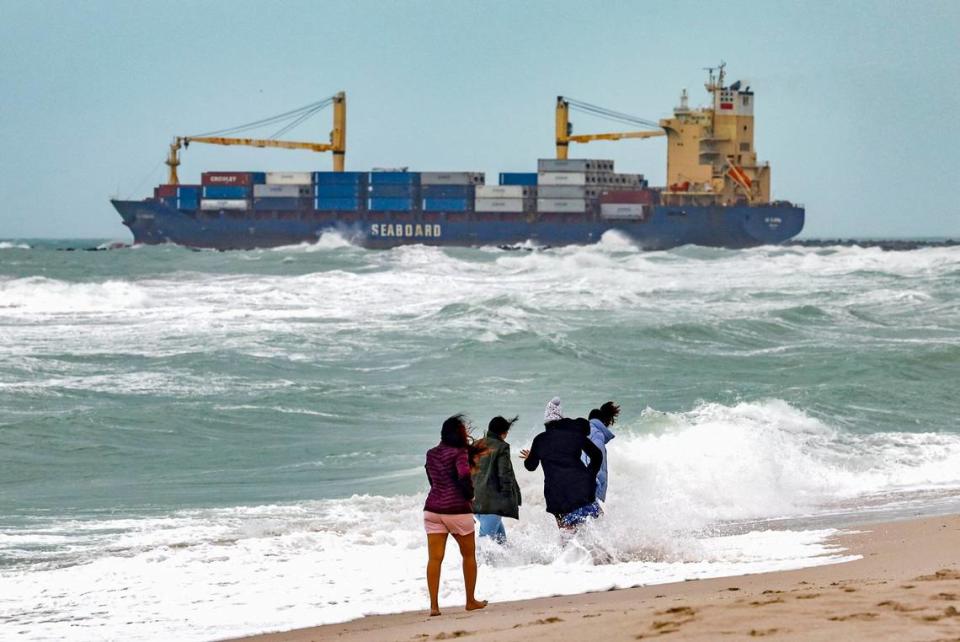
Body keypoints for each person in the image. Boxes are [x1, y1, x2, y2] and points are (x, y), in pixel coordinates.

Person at [423, 415, 489, 616]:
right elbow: (463, 476)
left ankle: (434, 606)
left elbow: (431, 479)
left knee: (435, 559)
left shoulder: (431, 453)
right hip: (457, 511)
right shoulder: (459, 453)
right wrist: (470, 495)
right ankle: (470, 601)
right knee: (468, 555)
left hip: (432, 510)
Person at [521, 397, 603, 531]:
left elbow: (530, 466)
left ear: (546, 422)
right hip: (581, 487)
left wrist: (531, 456)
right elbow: (597, 455)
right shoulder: (574, 434)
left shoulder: (540, 440)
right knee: (597, 527)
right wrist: (589, 476)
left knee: (566, 533)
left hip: (556, 494)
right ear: (561, 419)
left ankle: (569, 552)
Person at [472, 415, 522, 543]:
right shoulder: (501, 447)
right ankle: (479, 564)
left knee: (501, 542)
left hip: (475, 501)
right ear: (504, 433)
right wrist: (506, 498)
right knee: (485, 543)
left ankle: (508, 563)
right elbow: (504, 474)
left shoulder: (476, 444)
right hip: (492, 503)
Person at [583, 401, 619, 503]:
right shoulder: (597, 435)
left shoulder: (583, 433)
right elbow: (596, 466)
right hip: (589, 494)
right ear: (603, 423)